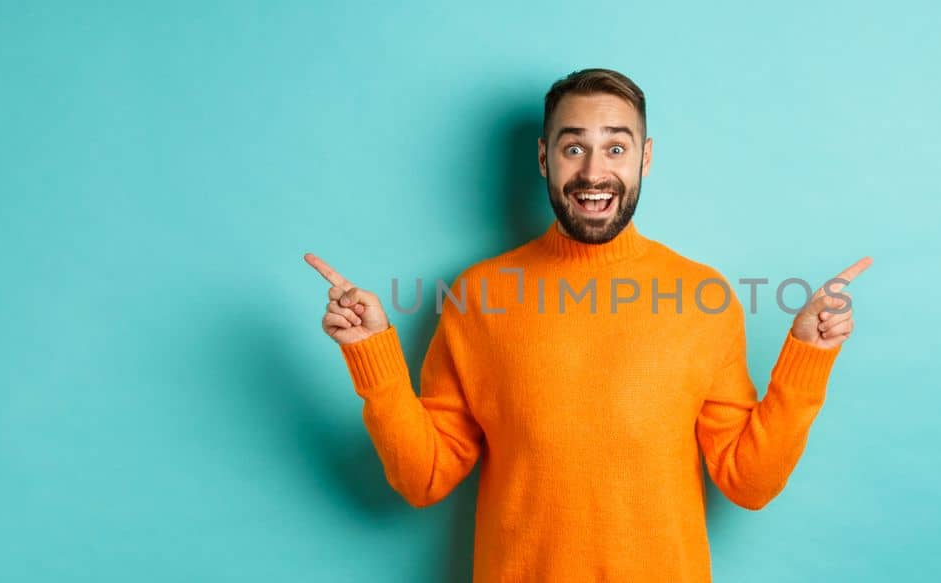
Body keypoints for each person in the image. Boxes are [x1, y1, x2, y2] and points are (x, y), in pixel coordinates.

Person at [303, 68, 870, 582]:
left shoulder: (705, 297)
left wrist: (806, 358)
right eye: (574, 147)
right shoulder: (476, 296)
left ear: (644, 158)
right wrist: (371, 353)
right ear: (545, 158)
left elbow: (749, 482)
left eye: (616, 147)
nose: (595, 172)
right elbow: (423, 478)